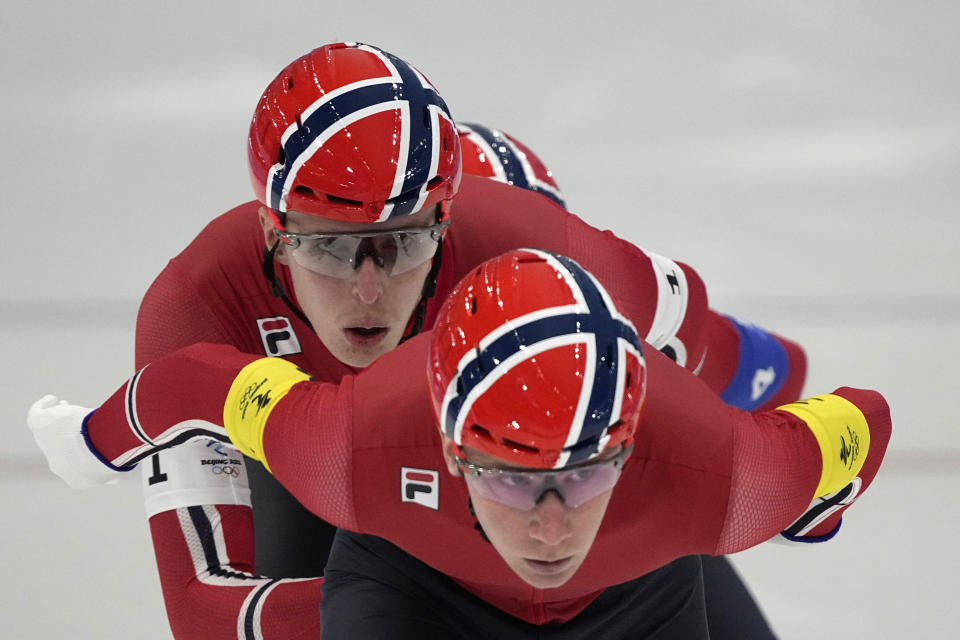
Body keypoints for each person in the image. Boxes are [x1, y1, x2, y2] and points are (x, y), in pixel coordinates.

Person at [33, 42, 802, 638]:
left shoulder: (552, 263)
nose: (370, 287)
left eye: (406, 245)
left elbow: (695, 332)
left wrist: (759, 386)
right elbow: (208, 612)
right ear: (274, 231)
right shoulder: (202, 304)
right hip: (331, 485)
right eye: (331, 246)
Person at [29, 249, 890, 638]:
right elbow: (194, 381)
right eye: (512, 480)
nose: (549, 528)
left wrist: (818, 507)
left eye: (586, 475)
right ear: (446, 451)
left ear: (629, 448)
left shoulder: (728, 473)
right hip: (417, 581)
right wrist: (89, 441)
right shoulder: (347, 443)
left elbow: (863, 419)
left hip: (630, 594)